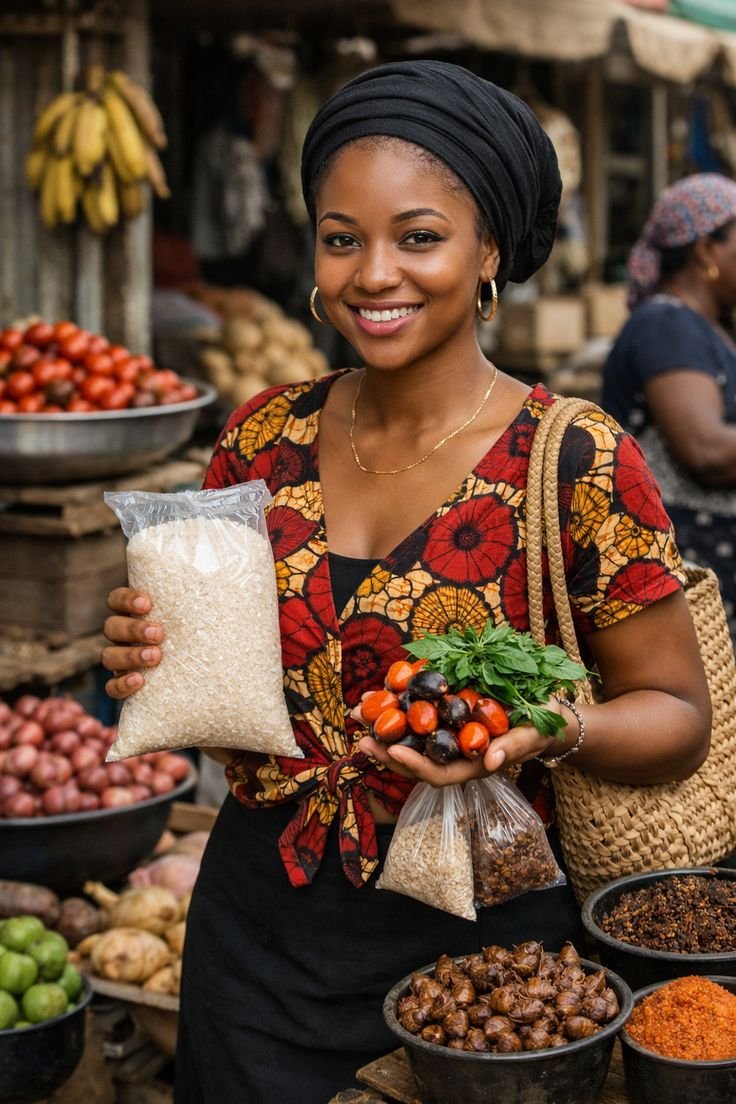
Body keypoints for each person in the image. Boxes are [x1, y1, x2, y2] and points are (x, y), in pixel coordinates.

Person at [102, 61, 711, 1104]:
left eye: (417, 237)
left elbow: (676, 718)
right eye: (341, 239)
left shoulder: (572, 462)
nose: (371, 274)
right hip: (256, 935)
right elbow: (231, 703)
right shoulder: (261, 438)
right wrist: (151, 662)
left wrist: (552, 730)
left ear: (490, 253)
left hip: (482, 968)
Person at [602, 173, 736, 639]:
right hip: (692, 557)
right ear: (705, 250)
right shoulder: (666, 324)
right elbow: (706, 450)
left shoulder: (705, 326)